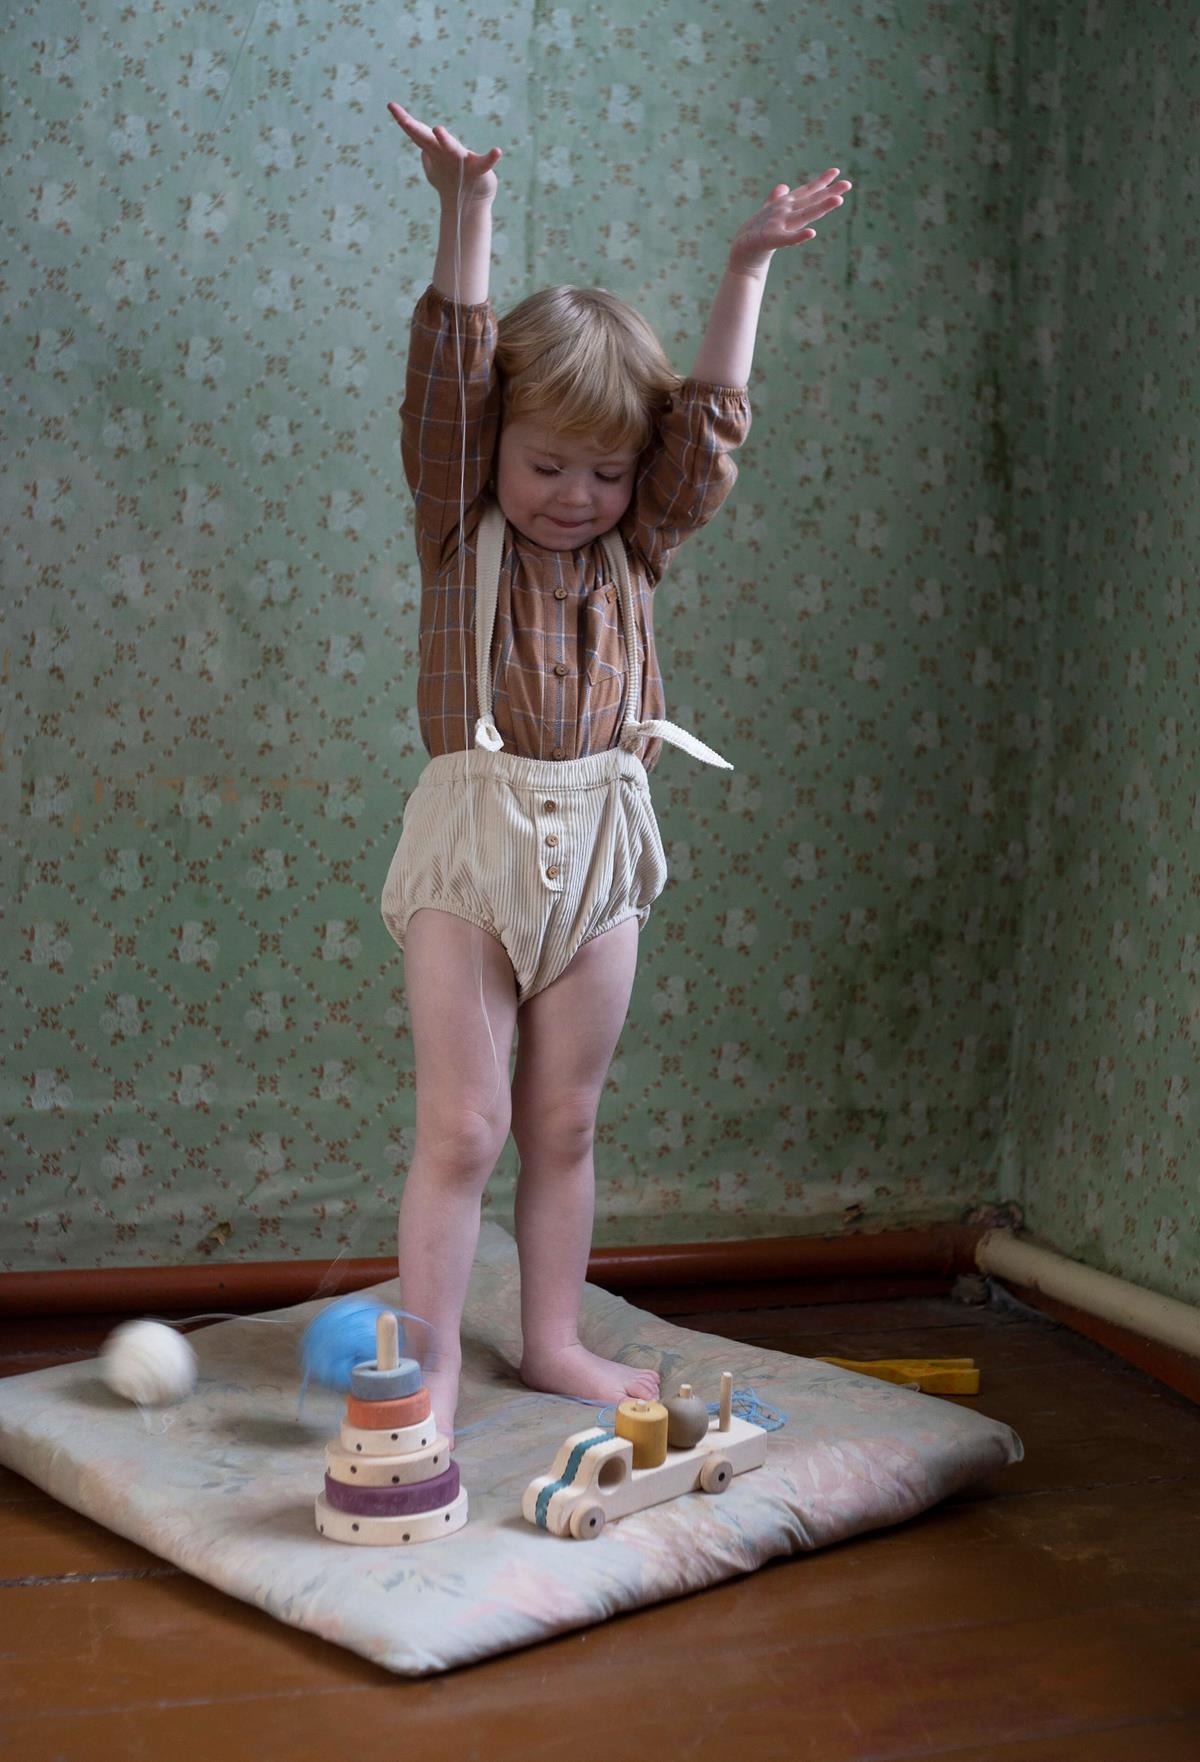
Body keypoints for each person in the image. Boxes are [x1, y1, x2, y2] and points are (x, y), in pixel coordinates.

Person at [382, 102, 850, 1443]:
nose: (576, 494)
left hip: (602, 841)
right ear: (496, 446)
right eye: (547, 463)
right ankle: (430, 1369)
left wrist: (745, 268)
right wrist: (466, 210)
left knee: (566, 1124)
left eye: (605, 470)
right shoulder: (457, 518)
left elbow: (707, 430)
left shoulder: (636, 545)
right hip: (474, 844)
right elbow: (448, 377)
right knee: (463, 1129)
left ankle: (552, 1341)